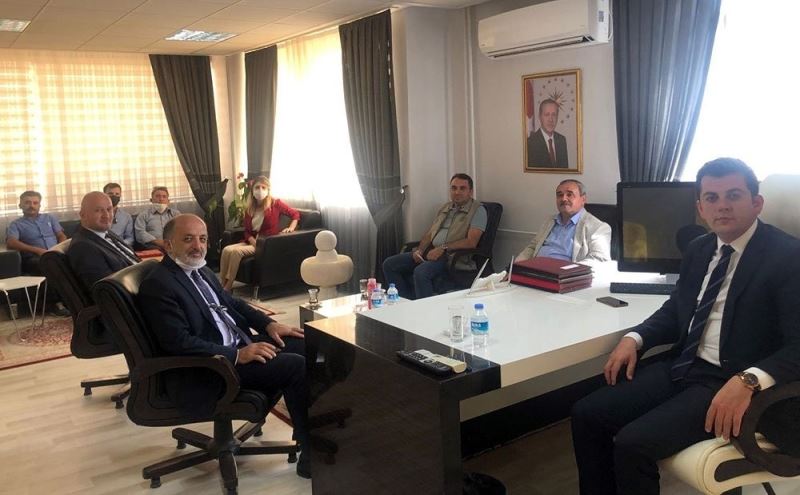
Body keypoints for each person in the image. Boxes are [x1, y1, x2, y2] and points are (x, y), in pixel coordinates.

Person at [570, 158, 800, 495]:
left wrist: (750, 379)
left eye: (733, 195)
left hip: (732, 380)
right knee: (586, 414)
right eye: (712, 198)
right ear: (700, 208)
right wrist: (636, 337)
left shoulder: (788, 256)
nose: (722, 205)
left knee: (633, 444)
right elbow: (677, 308)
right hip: (685, 365)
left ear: (757, 203)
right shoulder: (699, 249)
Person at [137, 214, 310, 478]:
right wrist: (237, 355)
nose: (198, 246)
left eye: (202, 239)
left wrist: (268, 325)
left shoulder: (201, 270)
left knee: (302, 344)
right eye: (188, 239)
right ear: (169, 245)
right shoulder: (159, 284)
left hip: (236, 345)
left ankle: (315, 428)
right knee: (295, 366)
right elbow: (177, 342)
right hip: (211, 368)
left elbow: (234, 304)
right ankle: (309, 450)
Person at [383, 173, 487, 300]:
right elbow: (429, 234)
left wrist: (443, 248)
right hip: (431, 251)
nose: (457, 192)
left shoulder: (478, 210)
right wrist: (420, 250)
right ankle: (406, 303)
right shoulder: (446, 207)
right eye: (454, 188)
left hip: (450, 257)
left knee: (421, 272)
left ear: (470, 191)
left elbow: (471, 241)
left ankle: (425, 310)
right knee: (389, 264)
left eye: (462, 188)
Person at [219, 176, 299, 292]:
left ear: (268, 190)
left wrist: (291, 228)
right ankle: (222, 284)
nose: (260, 190)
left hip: (265, 243)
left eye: (263, 187)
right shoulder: (250, 208)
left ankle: (228, 286)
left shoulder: (275, 203)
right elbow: (247, 231)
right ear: (252, 190)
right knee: (227, 250)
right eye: (257, 187)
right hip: (252, 242)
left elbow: (295, 214)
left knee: (236, 252)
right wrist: (251, 240)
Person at [516, 179, 611, 265]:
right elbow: (532, 247)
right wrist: (516, 267)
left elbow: (599, 259)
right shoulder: (549, 221)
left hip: (566, 276)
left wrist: (567, 272)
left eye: (569, 194)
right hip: (535, 271)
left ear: (583, 199)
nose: (563, 199)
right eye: (560, 195)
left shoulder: (598, 227)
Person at [6, 190, 70, 316]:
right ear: (20, 205)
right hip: (33, 258)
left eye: (35, 203)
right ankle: (56, 304)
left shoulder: (49, 218)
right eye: (27, 202)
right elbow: (11, 242)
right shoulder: (16, 224)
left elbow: (61, 235)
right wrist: (38, 250)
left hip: (56, 253)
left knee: (78, 260)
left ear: (39, 205)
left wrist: (60, 248)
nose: (32, 205)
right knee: (50, 265)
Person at [67, 192, 140, 292]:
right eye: (98, 210)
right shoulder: (83, 247)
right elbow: (106, 290)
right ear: (83, 215)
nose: (106, 215)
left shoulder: (106, 233)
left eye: (109, 209)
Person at [527, 99, 569, 169]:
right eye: (547, 114)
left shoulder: (562, 140)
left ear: (557, 117)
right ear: (540, 117)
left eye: (554, 115)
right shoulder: (530, 143)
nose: (551, 119)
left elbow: (564, 171)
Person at [103, 182, 134, 247]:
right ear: (104, 195)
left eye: (117, 194)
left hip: (120, 247)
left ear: (120, 196)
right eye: (110, 193)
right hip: (102, 247)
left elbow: (130, 238)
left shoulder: (126, 217)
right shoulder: (96, 215)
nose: (114, 196)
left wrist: (119, 245)